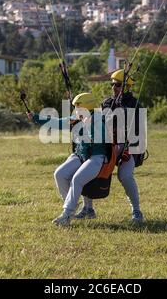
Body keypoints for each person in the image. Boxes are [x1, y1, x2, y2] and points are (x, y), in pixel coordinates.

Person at [27, 93, 107, 227]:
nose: (76, 110)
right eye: (75, 107)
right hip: (80, 155)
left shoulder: (98, 119)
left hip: (96, 157)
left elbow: (101, 138)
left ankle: (67, 215)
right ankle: (73, 206)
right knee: (59, 174)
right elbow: (57, 122)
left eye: (78, 107)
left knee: (77, 179)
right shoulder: (77, 118)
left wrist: (88, 127)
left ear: (87, 107)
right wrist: (36, 117)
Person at [76, 69, 144, 223]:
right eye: (113, 84)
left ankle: (137, 211)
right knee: (87, 169)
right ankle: (88, 209)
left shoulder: (135, 104)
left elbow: (137, 130)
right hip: (108, 147)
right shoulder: (107, 102)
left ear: (127, 87)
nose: (114, 87)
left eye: (118, 85)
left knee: (125, 176)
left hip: (127, 149)